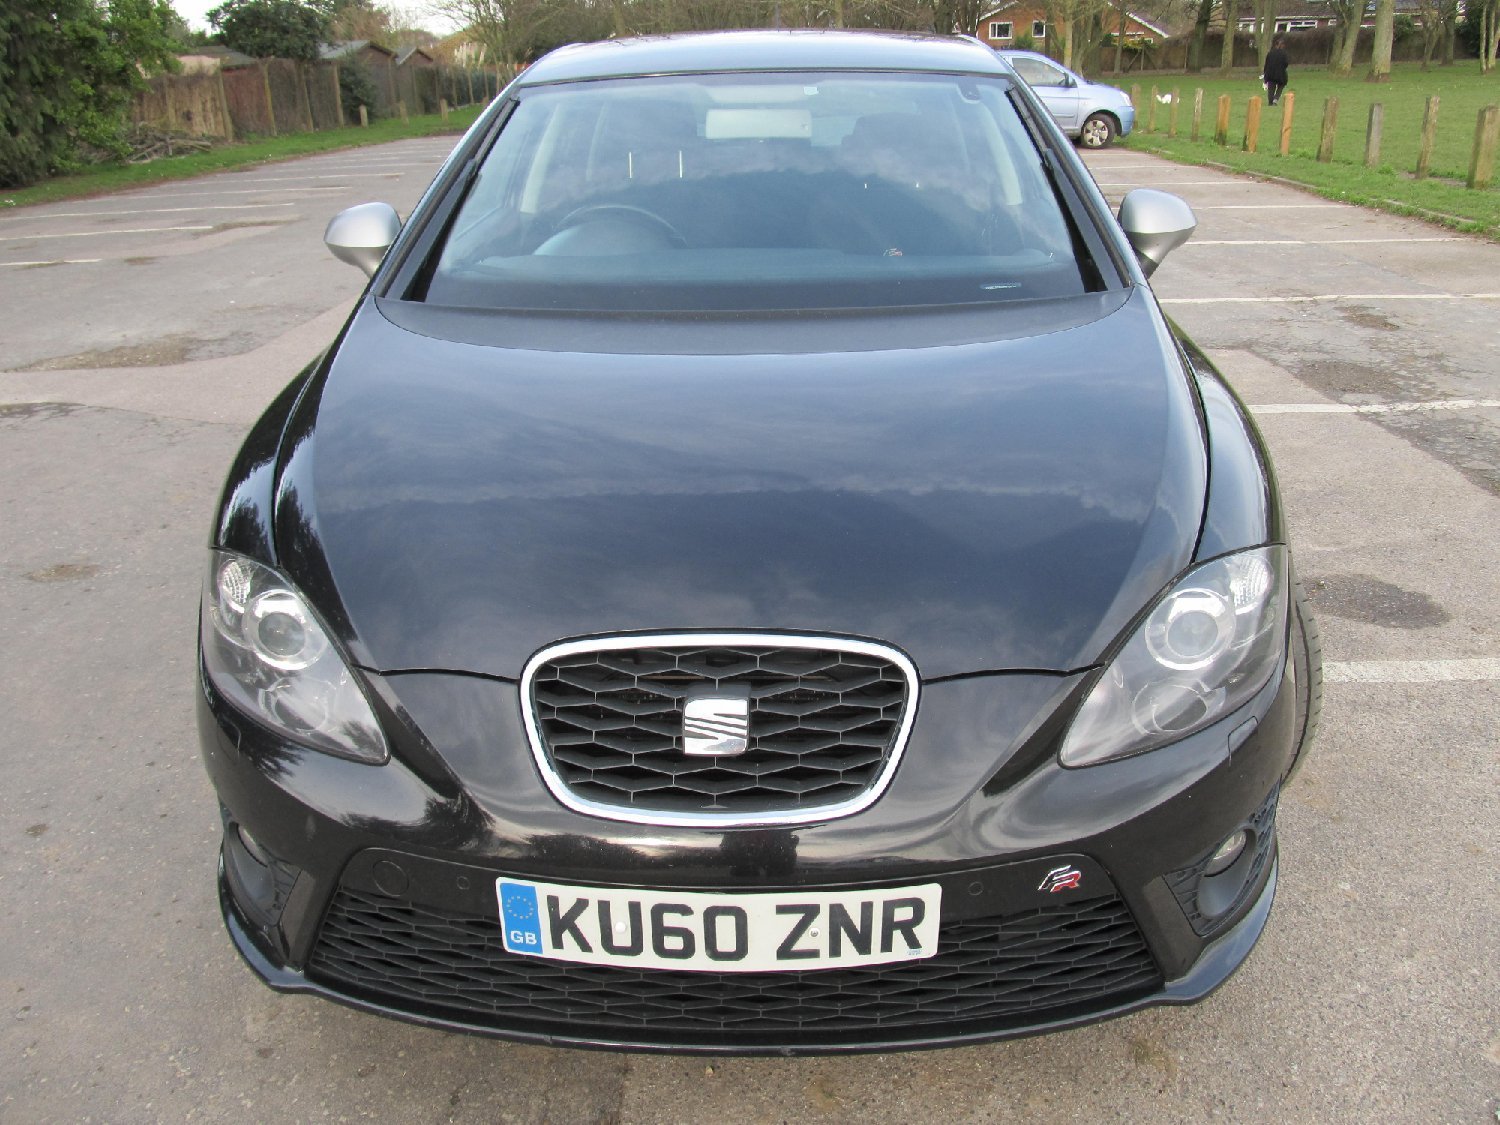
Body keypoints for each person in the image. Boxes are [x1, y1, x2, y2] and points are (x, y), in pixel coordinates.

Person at [1263, 37, 1290, 107]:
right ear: (1282, 45)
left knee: (1271, 88)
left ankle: (1270, 102)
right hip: (1280, 74)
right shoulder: (1284, 54)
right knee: (1281, 85)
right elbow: (1286, 63)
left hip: (1270, 74)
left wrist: (1265, 73)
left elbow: (1266, 63)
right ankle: (1275, 99)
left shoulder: (1270, 53)